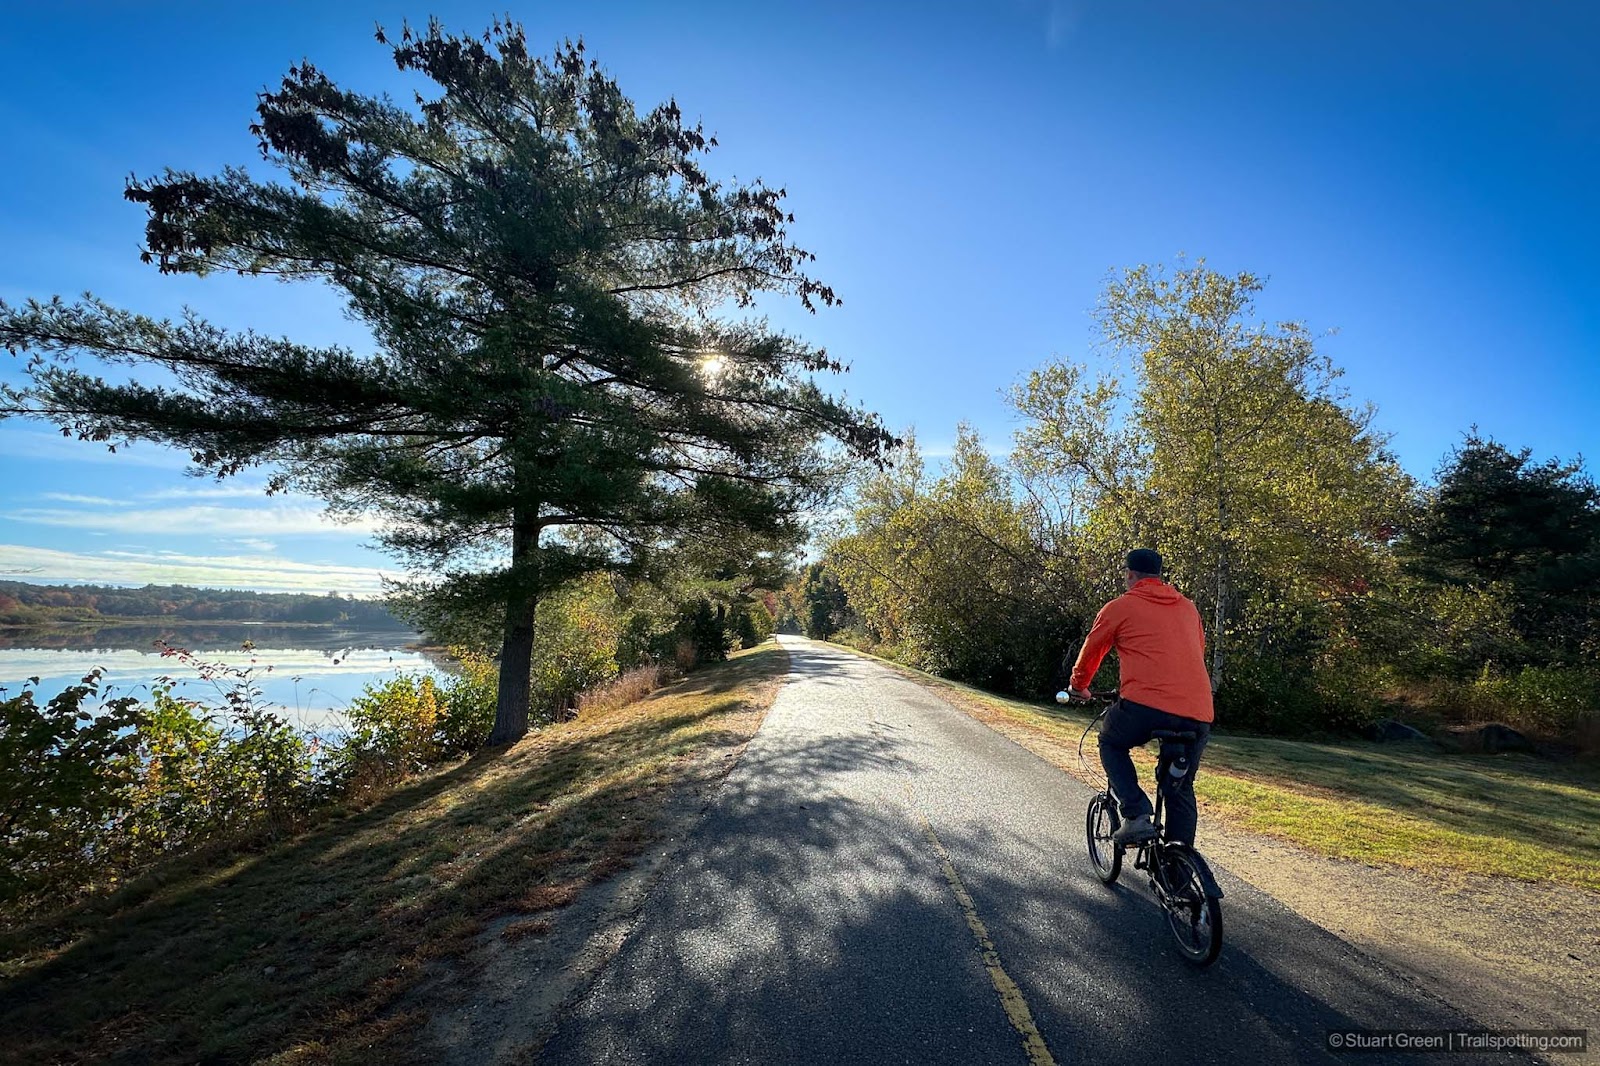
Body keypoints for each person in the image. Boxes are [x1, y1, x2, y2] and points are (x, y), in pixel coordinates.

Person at [1067, 548, 1214, 847]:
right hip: (1198, 712)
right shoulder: (1188, 608)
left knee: (1110, 740)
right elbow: (1197, 651)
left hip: (1145, 706)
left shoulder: (1121, 606)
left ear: (1129, 574)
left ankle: (1136, 814)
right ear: (1158, 576)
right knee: (1180, 787)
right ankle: (1180, 870)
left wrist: (1078, 686)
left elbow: (1092, 649)